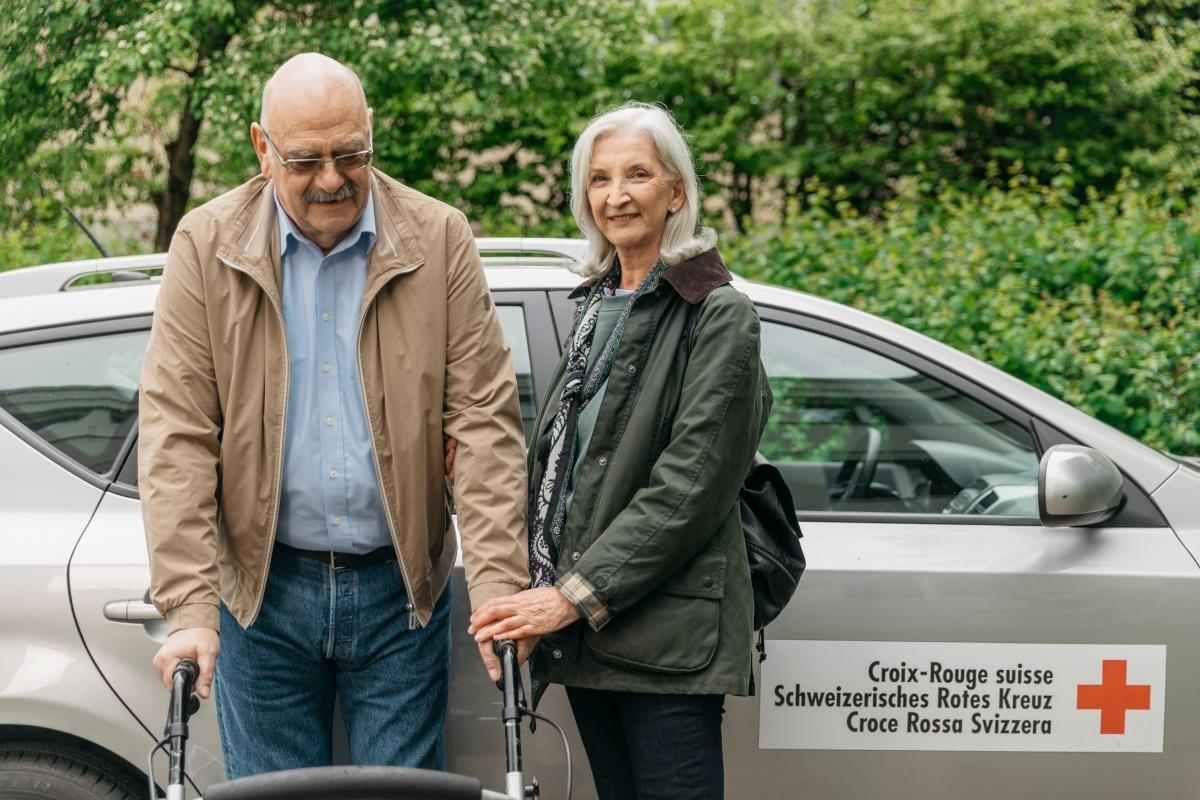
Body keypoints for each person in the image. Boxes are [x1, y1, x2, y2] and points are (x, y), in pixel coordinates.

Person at [139, 52, 532, 778]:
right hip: (261, 597)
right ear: (263, 149)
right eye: (306, 159)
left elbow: (482, 424)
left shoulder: (439, 238)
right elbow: (178, 437)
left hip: (400, 594)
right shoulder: (205, 244)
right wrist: (191, 608)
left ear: (371, 133)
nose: (331, 178)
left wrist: (501, 585)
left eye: (350, 152)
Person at [468, 102, 771, 799]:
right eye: (599, 179)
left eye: (638, 174)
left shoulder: (718, 312)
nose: (616, 195)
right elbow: (570, 474)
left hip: (663, 637)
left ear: (677, 191)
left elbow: (689, 487)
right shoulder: (596, 305)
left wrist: (569, 598)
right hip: (592, 636)